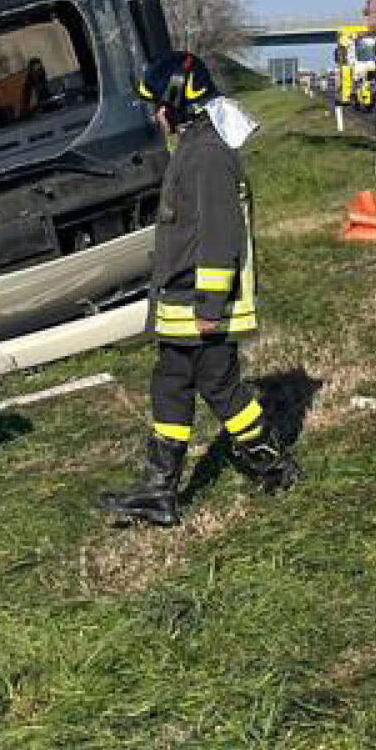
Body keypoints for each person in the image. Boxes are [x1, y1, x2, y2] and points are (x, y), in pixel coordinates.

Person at [101, 52, 297, 528]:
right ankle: (161, 489)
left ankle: (269, 466)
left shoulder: (206, 156)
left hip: (199, 303)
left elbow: (219, 236)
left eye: (157, 104)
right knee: (177, 382)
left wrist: (210, 302)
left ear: (176, 101)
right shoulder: (196, 145)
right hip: (183, 301)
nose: (155, 115)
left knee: (218, 385)